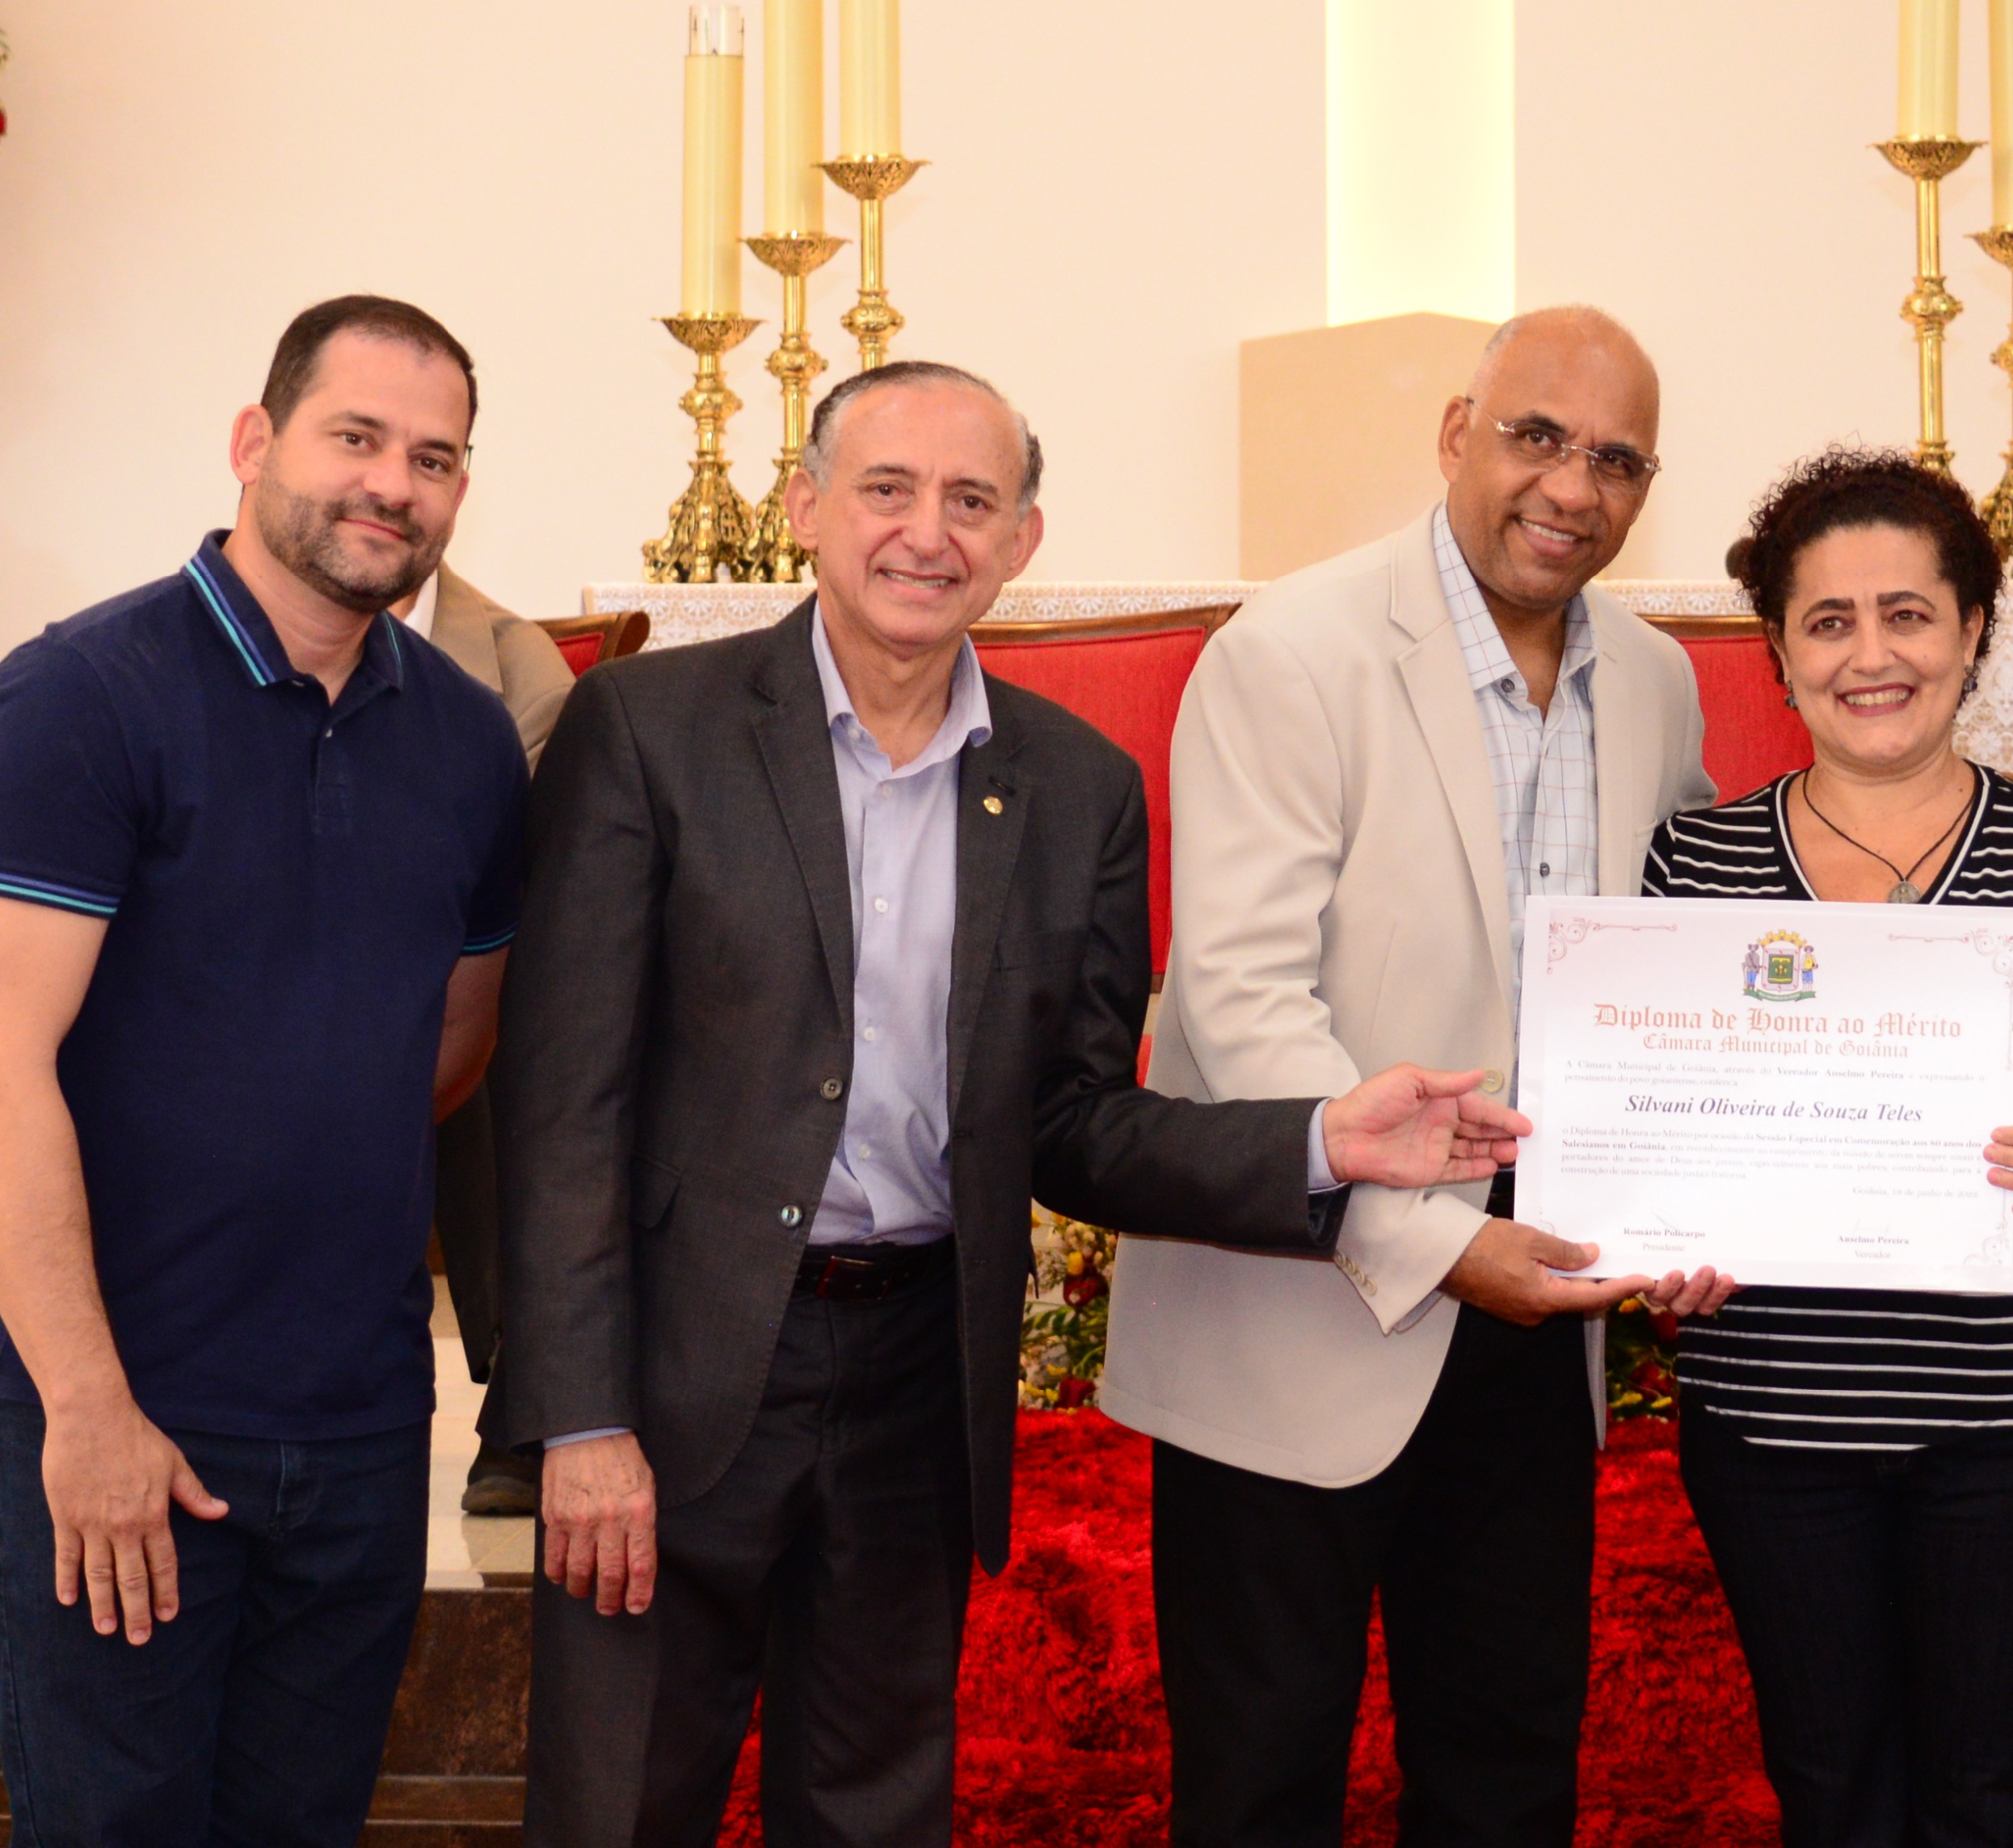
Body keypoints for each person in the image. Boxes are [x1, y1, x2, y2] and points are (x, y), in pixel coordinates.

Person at [486, 357, 1531, 1848]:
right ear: (806, 508)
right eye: (888, 489)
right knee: (620, 1808)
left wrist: (1317, 1139)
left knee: (873, 1812)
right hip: (675, 1372)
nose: (929, 534)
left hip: (918, 1376)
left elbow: (1074, 1123)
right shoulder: (651, 731)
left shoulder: (1077, 786)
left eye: (972, 501)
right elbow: (562, 1104)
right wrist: (581, 1416)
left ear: (1023, 540)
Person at [1101, 306, 1730, 1847]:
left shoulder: (1656, 680)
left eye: (1616, 460)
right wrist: (1441, 1245)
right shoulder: (1292, 650)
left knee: (1506, 1771)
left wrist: (1974, 835)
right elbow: (1239, 999)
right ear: (1457, 433)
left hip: (1540, 1306)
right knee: (1259, 1789)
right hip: (1295, 1303)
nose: (1571, 486)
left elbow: (1701, 951)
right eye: (1536, 437)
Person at [0, 297, 527, 1846]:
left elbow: (447, 1046)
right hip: (123, 1412)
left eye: (434, 458)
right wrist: (87, 1409)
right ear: (256, 441)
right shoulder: (83, 695)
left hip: (358, 1420)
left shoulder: (470, 745)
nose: (392, 483)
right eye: (355, 437)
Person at [1643, 449, 2013, 1848]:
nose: (1871, 654)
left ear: (1972, 631)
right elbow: (1658, 1138)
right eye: (1828, 621)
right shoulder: (1692, 868)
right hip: (1773, 1417)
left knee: (1999, 1789)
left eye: (1907, 614)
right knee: (1829, 1785)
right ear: (1778, 653)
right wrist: (1659, 1249)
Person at [398, 561, 575, 1517]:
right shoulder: (205, 650)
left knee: (505, 1013)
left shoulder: (516, 661)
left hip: (450, 958)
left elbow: (515, 863)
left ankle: (519, 1388)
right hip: (260, 983)